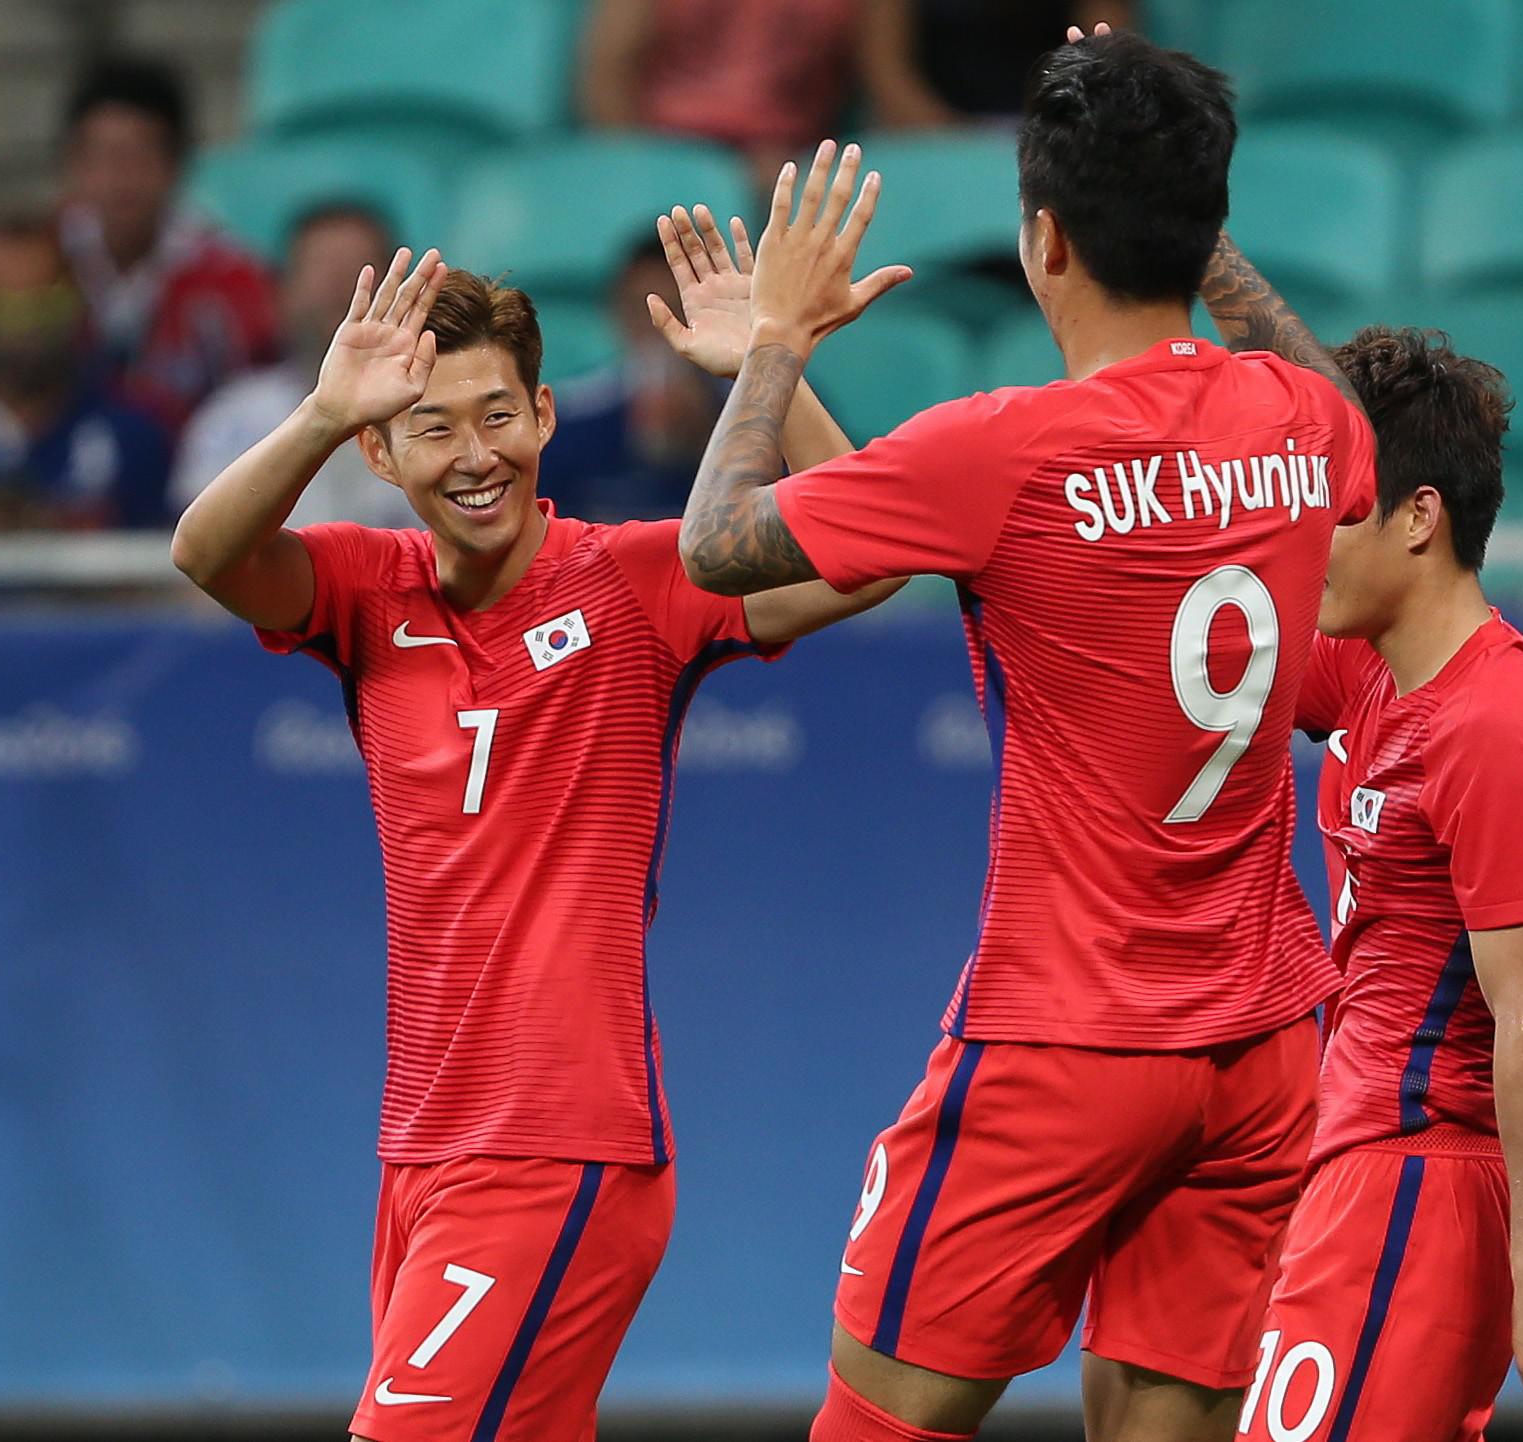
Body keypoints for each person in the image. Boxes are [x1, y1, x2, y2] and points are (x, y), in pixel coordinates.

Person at [666, 30, 1375, 1442]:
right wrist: (1195, 226)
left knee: (876, 1420)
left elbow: (715, 543)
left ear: (1043, 241)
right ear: (1201, 226)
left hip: (1064, 1038)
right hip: (1261, 1040)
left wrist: (776, 345)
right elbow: (1358, 429)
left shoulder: (1004, 444)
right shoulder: (1296, 418)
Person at [169, 249, 899, 1442]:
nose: (474, 454)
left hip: (557, 1138)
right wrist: (321, 410)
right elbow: (205, 552)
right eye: (432, 427)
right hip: (422, 1144)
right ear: (380, 453)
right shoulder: (364, 587)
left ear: (546, 415)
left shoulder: (638, 578)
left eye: (498, 415)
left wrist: (767, 367)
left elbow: (873, 546)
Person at [1245, 328, 1523, 1442]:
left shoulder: (1498, 725)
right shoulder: (1371, 667)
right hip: (1354, 1165)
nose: (1307, 537)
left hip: (1421, 1179)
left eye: (1335, 510)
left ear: (1417, 517)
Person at [0, 210, 170, 531]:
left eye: (42, 305)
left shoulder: (133, 434)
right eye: (2, 307)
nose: (24, 328)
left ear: (77, 301)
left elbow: (170, 551)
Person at [60, 56, 278, 429]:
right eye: (103, 157)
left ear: (178, 163)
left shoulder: (232, 277)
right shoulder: (37, 260)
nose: (120, 178)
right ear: (73, 163)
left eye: (139, 156)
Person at [171, 203, 416, 527]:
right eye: (320, 264)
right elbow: (200, 542)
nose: (343, 283)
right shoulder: (229, 418)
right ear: (282, 293)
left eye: (363, 266)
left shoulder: (440, 410)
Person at [543, 234, 727, 522]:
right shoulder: (566, 419)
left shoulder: (759, 409)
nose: (659, 330)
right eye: (643, 312)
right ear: (618, 313)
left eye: (677, 311)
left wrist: (713, 436)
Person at [579, 0, 860, 178]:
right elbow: (608, 74)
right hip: (665, 147)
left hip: (789, 157)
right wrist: (643, 169)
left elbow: (877, 77)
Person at [861, 0, 1136, 130]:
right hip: (932, 141)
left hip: (1051, 133)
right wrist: (954, 140)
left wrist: (1047, 136)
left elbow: (1103, 56)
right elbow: (887, 71)